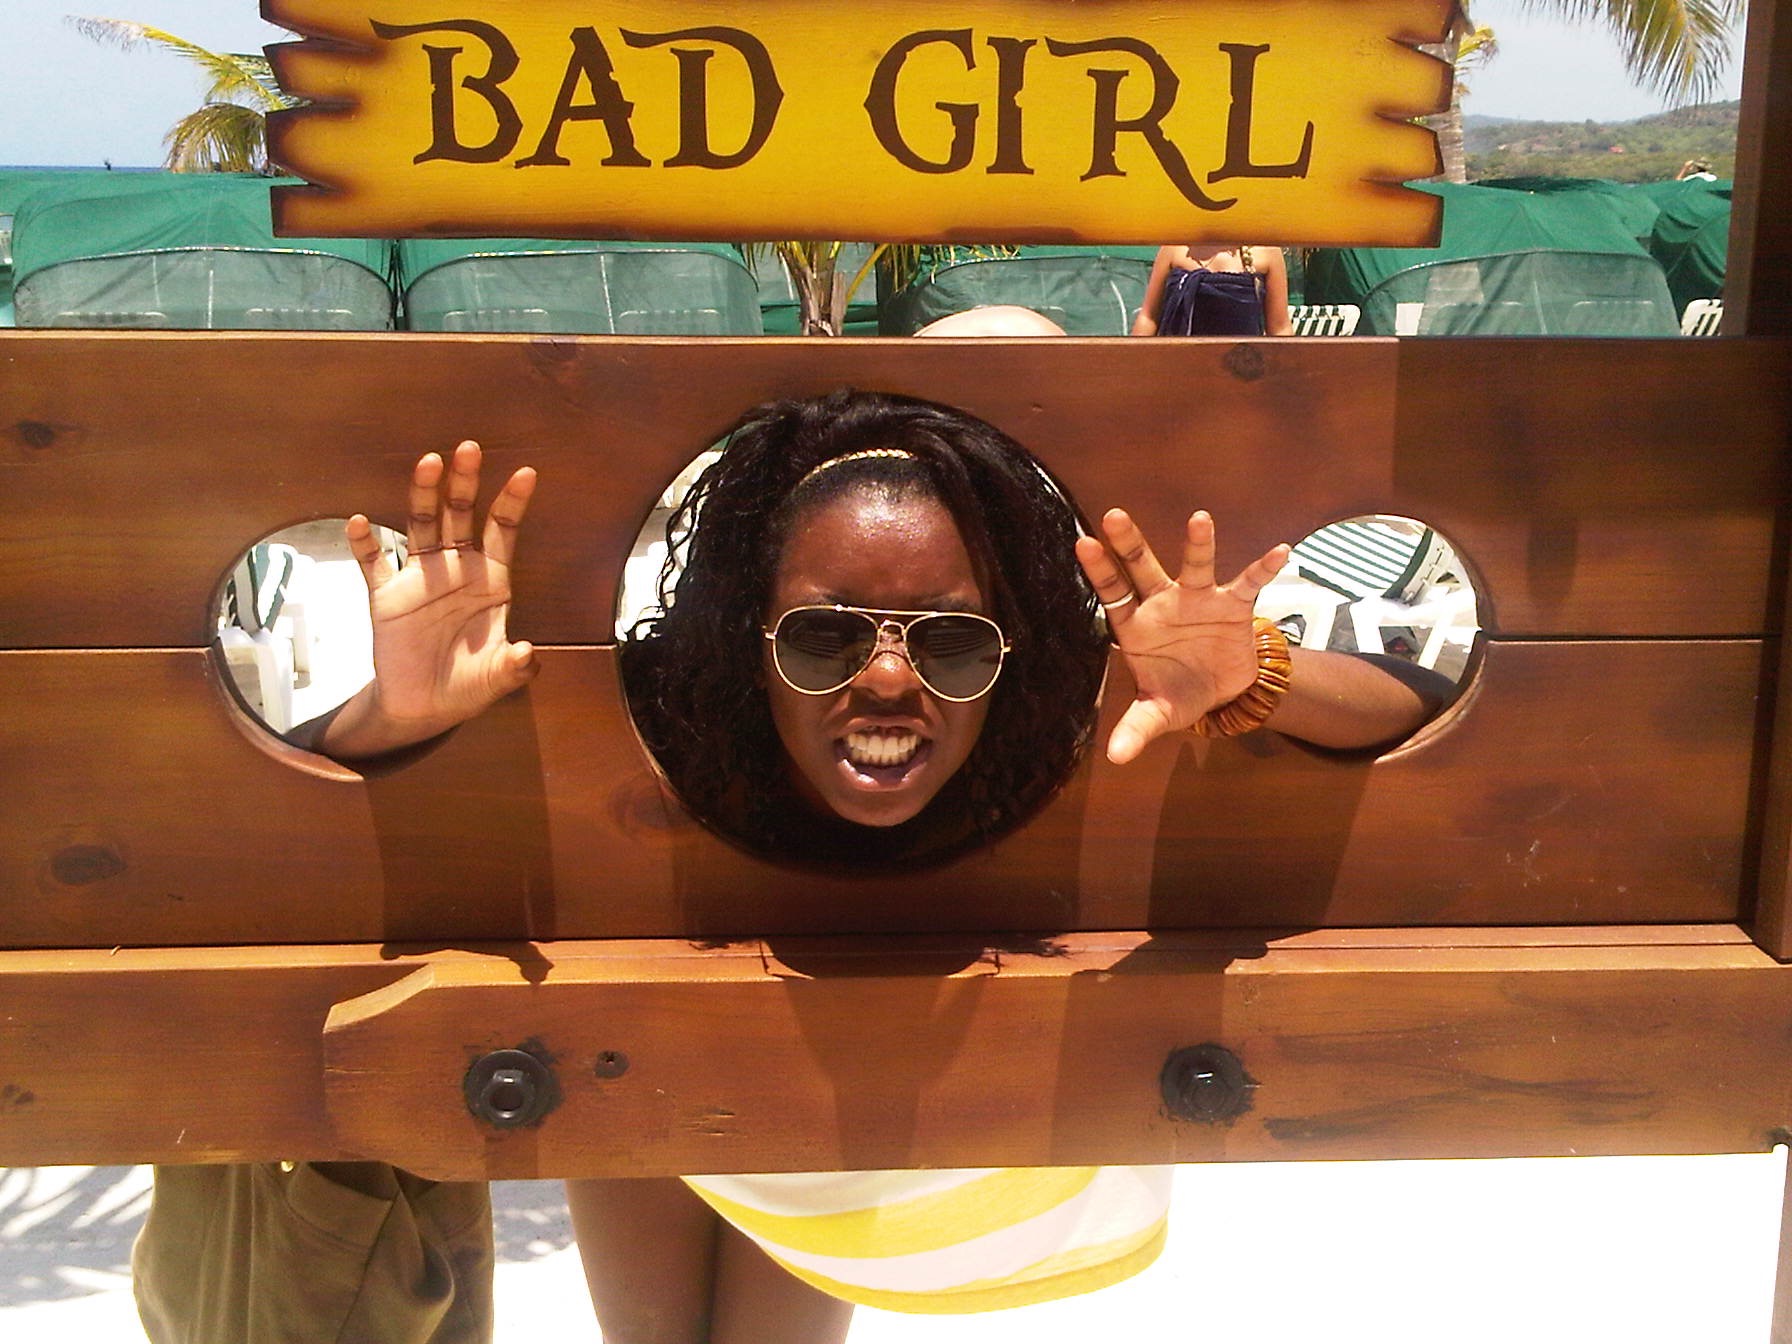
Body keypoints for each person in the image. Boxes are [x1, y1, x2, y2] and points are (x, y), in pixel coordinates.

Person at [137, 388, 1449, 1344]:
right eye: (822, 637)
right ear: (743, 634)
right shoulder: (665, 712)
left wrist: (1255, 673)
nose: (886, 680)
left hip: (972, 1127)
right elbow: (262, 823)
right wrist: (391, 719)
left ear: (1012, 649)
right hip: (649, 1049)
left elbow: (1415, 715)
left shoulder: (1064, 714)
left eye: (951, 643)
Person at [1130, 245, 1292, 337]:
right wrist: (1131, 368)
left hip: (1241, 370)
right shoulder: (1174, 246)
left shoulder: (1267, 250)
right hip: (1178, 368)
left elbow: (1279, 328)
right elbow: (1149, 317)